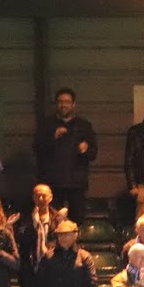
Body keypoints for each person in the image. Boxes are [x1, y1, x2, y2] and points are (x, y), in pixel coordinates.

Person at [32, 87, 97, 221]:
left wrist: (85, 150)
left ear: (73, 104)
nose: (64, 105)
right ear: (56, 104)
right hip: (53, 183)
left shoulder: (84, 125)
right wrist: (53, 138)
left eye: (67, 102)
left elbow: (93, 153)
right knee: (52, 220)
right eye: (60, 101)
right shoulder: (47, 125)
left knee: (77, 220)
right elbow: (36, 149)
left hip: (76, 184)